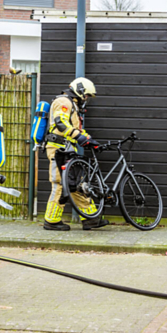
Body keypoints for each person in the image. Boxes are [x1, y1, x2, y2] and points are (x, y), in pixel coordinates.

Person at [42, 77, 109, 231]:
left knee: (76, 184)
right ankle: (51, 221)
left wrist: (89, 139)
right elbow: (61, 123)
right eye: (86, 95)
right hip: (58, 149)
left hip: (67, 149)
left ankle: (91, 218)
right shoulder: (63, 102)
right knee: (60, 184)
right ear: (80, 91)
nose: (86, 99)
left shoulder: (72, 105)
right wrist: (79, 137)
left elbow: (75, 129)